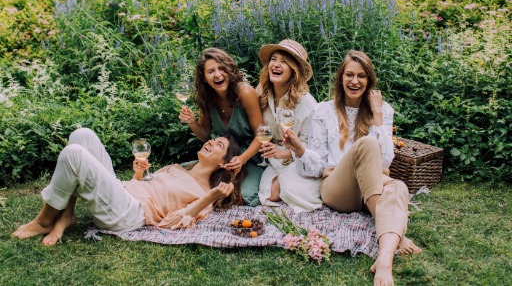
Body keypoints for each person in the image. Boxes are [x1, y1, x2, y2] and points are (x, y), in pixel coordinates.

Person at [283, 51, 421, 286]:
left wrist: (377, 116)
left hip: (372, 185)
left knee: (398, 186)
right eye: (349, 75)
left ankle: (385, 259)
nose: (355, 81)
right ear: (340, 78)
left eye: (361, 76)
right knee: (367, 144)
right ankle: (397, 232)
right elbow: (316, 166)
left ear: (369, 81)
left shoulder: (383, 111)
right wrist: (300, 150)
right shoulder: (324, 111)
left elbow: (386, 161)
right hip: (339, 190)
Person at [12, 128, 242, 246]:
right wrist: (138, 173)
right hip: (123, 194)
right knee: (82, 136)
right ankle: (67, 215)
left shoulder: (205, 195)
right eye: (212, 139)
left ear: (223, 162)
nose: (210, 142)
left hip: (129, 214)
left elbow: (171, 222)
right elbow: (144, 186)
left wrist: (211, 197)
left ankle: (44, 221)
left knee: (74, 154)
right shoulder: (175, 168)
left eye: (218, 144)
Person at [179, 48, 264, 206]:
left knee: (244, 195)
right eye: (210, 71)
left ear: (229, 70)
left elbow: (262, 134)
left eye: (221, 69)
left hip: (250, 157)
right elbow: (205, 135)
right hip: (221, 158)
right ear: (204, 78)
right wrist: (192, 121)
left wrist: (242, 159)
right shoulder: (206, 97)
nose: (217, 75)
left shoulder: (245, 93)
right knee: (184, 177)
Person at [256, 39, 322, 213]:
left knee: (287, 190)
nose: (276, 65)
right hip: (274, 160)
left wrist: (282, 153)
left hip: (299, 160)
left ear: (294, 71)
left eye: (284, 62)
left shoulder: (307, 103)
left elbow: (313, 148)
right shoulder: (262, 93)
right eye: (274, 59)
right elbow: (258, 125)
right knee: (267, 195)